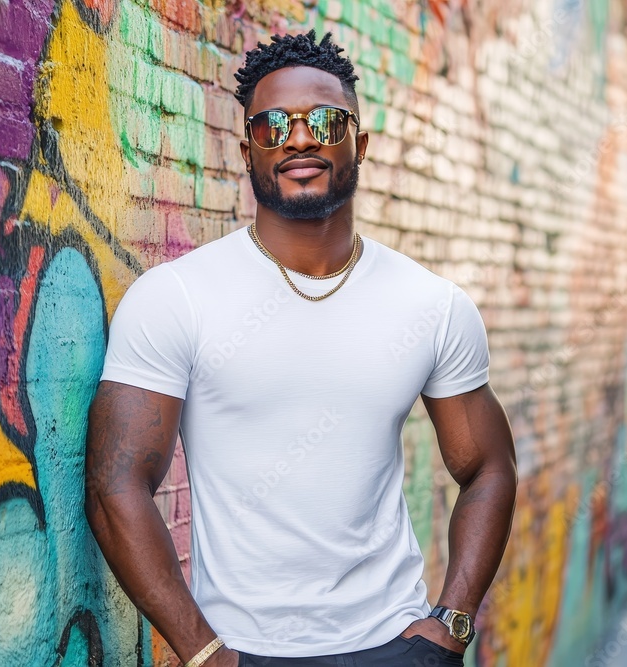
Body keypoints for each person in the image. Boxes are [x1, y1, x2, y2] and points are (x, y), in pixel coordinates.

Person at [84, 30, 518, 667]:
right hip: (245, 653)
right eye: (272, 126)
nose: (299, 137)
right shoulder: (177, 297)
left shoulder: (431, 305)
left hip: (395, 646)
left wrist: (452, 620)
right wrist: (203, 652)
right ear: (247, 151)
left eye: (324, 120)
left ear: (358, 143)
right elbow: (114, 484)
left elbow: (489, 466)